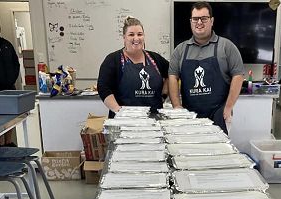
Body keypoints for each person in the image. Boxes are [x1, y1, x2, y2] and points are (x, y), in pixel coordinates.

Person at [168, 1, 244, 133]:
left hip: (218, 115)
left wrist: (228, 107)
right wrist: (177, 107)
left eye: (204, 18)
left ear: (211, 21)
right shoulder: (180, 50)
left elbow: (238, 75)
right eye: (195, 19)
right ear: (190, 21)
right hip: (189, 116)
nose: (199, 22)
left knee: (219, 146)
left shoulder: (226, 46)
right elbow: (172, 77)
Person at [98, 16, 169, 116]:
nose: (136, 38)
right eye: (131, 34)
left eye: (139, 34)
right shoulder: (113, 60)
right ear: (124, 37)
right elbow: (103, 88)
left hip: (154, 119)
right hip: (124, 120)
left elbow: (172, 74)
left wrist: (164, 95)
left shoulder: (156, 58)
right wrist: (118, 111)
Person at [0, 19, 20, 145]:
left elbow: (16, 64)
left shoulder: (7, 45)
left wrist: (12, 78)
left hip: (9, 88)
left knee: (10, 115)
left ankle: (8, 142)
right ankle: (0, 143)